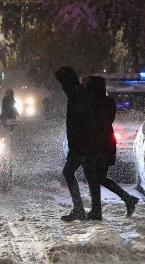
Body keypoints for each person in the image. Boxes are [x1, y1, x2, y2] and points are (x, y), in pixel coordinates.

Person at [86, 76, 139, 219]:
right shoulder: (108, 101)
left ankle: (99, 209)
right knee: (100, 177)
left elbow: (92, 122)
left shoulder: (92, 102)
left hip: (96, 144)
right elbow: (107, 120)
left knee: (95, 177)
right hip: (106, 143)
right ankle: (125, 199)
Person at [54, 66, 101, 221]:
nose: (61, 86)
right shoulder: (77, 93)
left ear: (68, 81)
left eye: (62, 82)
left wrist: (77, 146)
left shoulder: (77, 95)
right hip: (87, 143)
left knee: (68, 172)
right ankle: (95, 211)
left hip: (82, 144)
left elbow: (81, 122)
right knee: (90, 175)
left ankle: (80, 209)